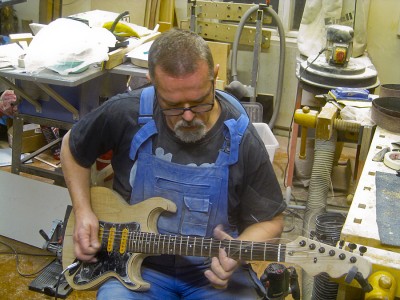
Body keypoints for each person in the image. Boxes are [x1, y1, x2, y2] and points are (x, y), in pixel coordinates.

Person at [60, 28, 286, 300]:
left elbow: (272, 220)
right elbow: (72, 146)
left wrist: (236, 252)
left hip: (210, 270)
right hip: (136, 267)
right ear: (152, 82)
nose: (188, 116)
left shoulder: (241, 136)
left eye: (201, 102)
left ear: (215, 76)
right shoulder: (126, 111)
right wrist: (84, 212)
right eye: (173, 105)